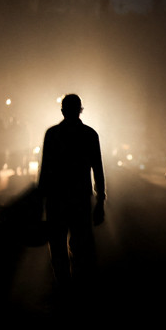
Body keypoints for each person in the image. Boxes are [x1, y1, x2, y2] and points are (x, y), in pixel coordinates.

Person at [37, 93, 106, 304]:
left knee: (57, 246)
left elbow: (45, 171)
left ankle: (64, 288)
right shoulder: (89, 135)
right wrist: (100, 201)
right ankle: (77, 290)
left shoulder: (52, 134)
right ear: (80, 110)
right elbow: (98, 170)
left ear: (63, 111)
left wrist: (39, 203)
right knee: (80, 246)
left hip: (56, 201)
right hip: (80, 201)